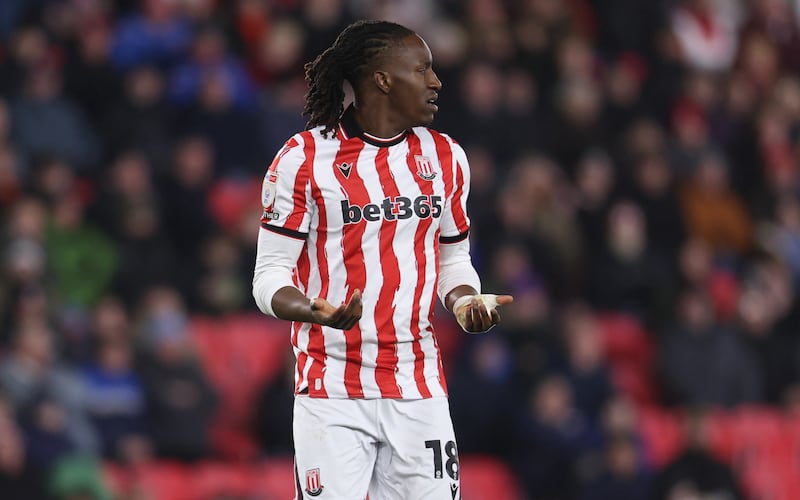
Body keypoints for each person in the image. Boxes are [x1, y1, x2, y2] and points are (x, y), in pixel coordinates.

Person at [252, 19, 512, 499]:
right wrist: (314, 310)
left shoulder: (446, 158)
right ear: (383, 80)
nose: (436, 82)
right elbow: (268, 278)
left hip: (418, 384)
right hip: (332, 388)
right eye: (423, 69)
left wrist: (464, 302)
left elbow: (453, 259)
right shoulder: (304, 159)